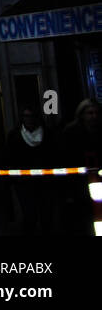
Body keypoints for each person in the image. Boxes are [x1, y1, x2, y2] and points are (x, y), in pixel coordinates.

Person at [3, 107, 57, 235]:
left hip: (45, 181)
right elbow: (10, 158)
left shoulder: (48, 134)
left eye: (32, 116)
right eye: (26, 116)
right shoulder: (15, 135)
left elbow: (54, 155)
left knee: (47, 215)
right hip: (24, 183)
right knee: (29, 214)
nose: (29, 119)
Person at [59, 98, 101, 235]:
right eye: (90, 113)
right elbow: (66, 160)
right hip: (79, 184)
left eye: (95, 113)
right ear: (82, 114)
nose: (93, 116)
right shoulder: (71, 132)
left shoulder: (99, 130)